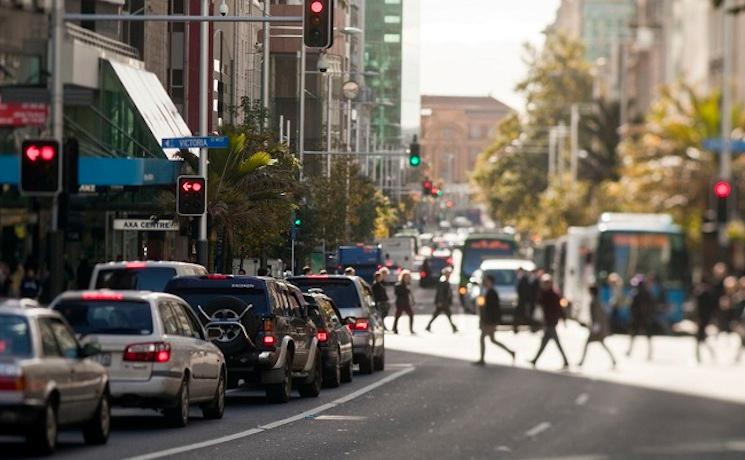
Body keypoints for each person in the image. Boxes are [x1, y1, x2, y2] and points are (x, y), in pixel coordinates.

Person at [530, 274, 570, 369]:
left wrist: (563, 319)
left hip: (551, 322)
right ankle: (535, 359)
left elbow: (559, 309)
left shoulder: (553, 295)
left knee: (551, 342)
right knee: (547, 342)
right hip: (549, 321)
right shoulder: (546, 294)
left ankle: (565, 360)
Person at [474, 274, 515, 365]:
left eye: (486, 281)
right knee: (493, 340)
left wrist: (491, 321)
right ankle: (511, 352)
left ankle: (482, 359)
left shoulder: (492, 293)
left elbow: (493, 309)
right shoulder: (488, 291)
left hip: (489, 321)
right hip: (489, 320)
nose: (485, 282)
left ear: (490, 282)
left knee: (482, 338)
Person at [577, 285, 617, 368]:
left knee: (589, 344)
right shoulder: (597, 300)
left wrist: (595, 326)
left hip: (597, 328)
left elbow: (597, 316)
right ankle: (613, 360)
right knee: (601, 344)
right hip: (597, 327)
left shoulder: (595, 302)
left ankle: (582, 361)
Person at [627, 274, 654, 360]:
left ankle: (630, 350)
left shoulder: (636, 294)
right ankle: (649, 353)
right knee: (648, 336)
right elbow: (651, 305)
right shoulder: (647, 293)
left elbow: (632, 307)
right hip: (645, 317)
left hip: (638, 318)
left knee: (634, 335)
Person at [426, 267, 458, 333]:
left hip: (444, 302)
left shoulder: (445, 281)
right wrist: (440, 302)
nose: (449, 275)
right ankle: (454, 327)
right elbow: (440, 293)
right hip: (443, 302)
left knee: (438, 315)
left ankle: (428, 326)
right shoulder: (443, 281)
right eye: (448, 273)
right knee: (446, 315)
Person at [694, 276, 717, 363]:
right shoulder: (709, 292)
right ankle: (699, 355)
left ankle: (700, 355)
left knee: (701, 338)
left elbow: (699, 307)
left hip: (702, 317)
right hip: (705, 317)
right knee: (701, 338)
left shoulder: (702, 292)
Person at [393, 270, 415, 334]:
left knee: (411, 315)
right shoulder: (398, 284)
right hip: (400, 302)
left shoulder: (408, 285)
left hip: (406, 302)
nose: (407, 279)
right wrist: (406, 290)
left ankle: (411, 329)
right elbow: (397, 293)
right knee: (398, 316)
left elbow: (410, 294)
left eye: (408, 277)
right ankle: (394, 328)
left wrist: (412, 300)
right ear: (403, 277)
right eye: (406, 277)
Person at [514, 267, 532, 333]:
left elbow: (525, 291)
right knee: (519, 314)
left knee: (521, 314)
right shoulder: (520, 279)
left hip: (523, 301)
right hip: (521, 300)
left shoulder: (524, 279)